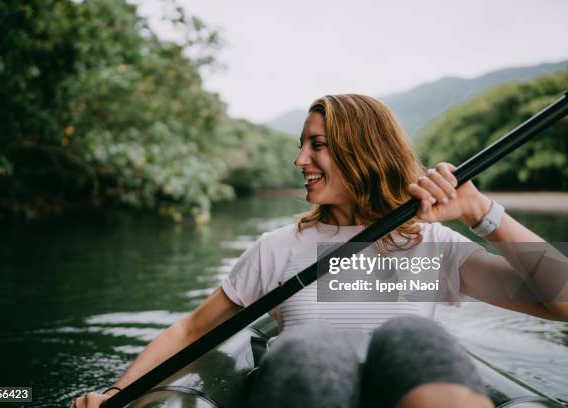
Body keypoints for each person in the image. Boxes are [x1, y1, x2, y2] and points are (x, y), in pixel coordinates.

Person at [71, 94, 567, 408]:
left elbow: (561, 302)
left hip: (403, 388)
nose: (299, 159)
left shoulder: (433, 243)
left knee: (412, 335)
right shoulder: (279, 249)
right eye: (301, 145)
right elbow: (193, 329)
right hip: (305, 385)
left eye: (317, 145)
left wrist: (482, 212)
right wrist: (118, 393)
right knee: (311, 344)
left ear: (363, 152)